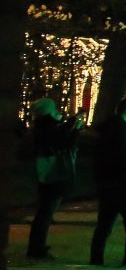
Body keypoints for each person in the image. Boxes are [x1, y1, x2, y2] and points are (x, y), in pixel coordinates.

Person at [90, 96, 126, 266]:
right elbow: (125, 158)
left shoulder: (106, 131)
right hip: (122, 186)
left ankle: (96, 259)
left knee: (104, 225)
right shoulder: (122, 132)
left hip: (106, 185)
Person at [26, 97, 81, 259]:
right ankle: (37, 249)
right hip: (53, 174)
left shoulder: (42, 126)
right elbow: (63, 142)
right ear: (48, 110)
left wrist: (71, 122)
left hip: (47, 174)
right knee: (46, 212)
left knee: (44, 212)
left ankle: (36, 247)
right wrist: (76, 131)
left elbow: (58, 136)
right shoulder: (48, 127)